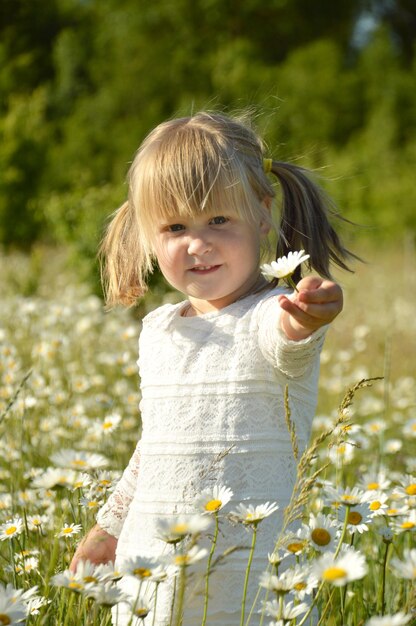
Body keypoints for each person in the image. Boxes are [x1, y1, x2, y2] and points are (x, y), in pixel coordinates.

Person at [70, 111, 352, 625]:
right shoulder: (159, 329)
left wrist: (308, 316)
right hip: (155, 563)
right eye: (176, 227)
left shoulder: (272, 312)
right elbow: (154, 445)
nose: (197, 244)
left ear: (262, 214)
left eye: (218, 220)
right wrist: (109, 526)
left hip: (245, 569)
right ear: (148, 236)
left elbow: (288, 342)